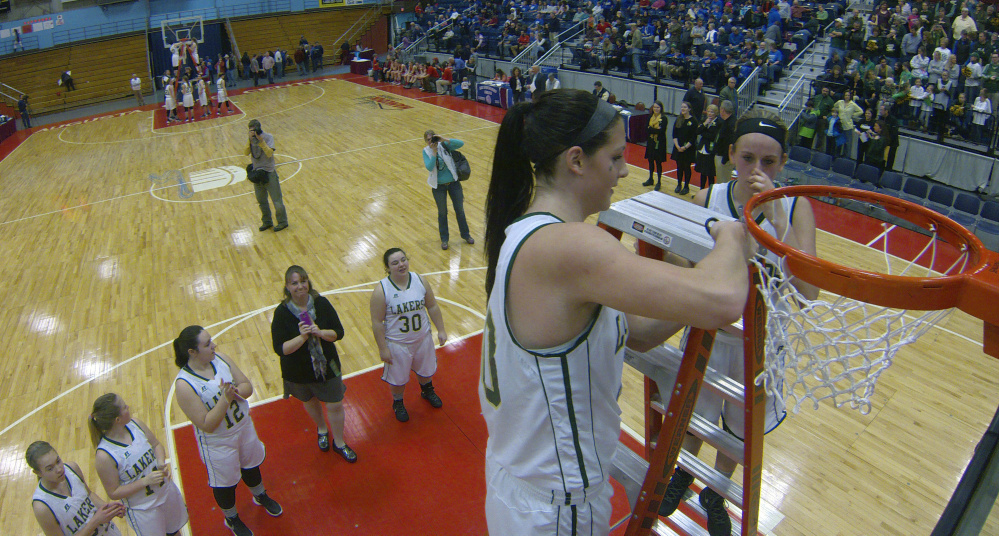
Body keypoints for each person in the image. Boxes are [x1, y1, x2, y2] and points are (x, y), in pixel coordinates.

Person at [480, 89, 751, 536]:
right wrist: (731, 239)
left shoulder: (528, 231)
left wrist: (687, 269)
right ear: (576, 160)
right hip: (556, 508)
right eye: (616, 157)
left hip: (527, 489)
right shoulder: (572, 246)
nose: (625, 171)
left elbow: (640, 332)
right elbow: (722, 299)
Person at [659, 108, 818, 536]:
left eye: (769, 162)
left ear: (782, 164)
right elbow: (682, 266)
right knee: (694, 412)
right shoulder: (707, 198)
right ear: (731, 154)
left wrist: (779, 224)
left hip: (761, 343)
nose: (757, 169)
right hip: (710, 332)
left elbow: (808, 292)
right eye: (748, 158)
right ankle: (684, 473)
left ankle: (717, 489)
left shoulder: (796, 205)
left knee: (738, 430)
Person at [173, 325, 283, 536]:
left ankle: (260, 495)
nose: (213, 345)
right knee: (225, 484)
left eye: (211, 340)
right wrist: (226, 399)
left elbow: (247, 386)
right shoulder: (184, 385)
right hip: (218, 442)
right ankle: (231, 518)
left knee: (251, 465)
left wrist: (236, 391)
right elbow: (206, 423)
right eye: (207, 344)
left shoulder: (221, 359)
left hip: (243, 427)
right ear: (192, 352)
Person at [271, 265, 358, 461]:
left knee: (335, 404)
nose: (300, 286)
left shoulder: (322, 304)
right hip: (298, 371)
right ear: (287, 287)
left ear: (308, 282)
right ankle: (321, 429)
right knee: (310, 402)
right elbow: (281, 349)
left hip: (327, 366)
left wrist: (319, 332)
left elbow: (338, 333)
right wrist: (302, 338)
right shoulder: (282, 313)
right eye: (294, 283)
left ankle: (340, 443)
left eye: (303, 281)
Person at [90, 393, 189, 536]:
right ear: (117, 419)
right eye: (124, 407)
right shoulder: (104, 455)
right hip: (144, 510)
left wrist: (161, 461)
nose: (128, 407)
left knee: (175, 532)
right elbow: (113, 492)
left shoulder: (136, 424)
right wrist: (144, 481)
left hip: (165, 493)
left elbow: (156, 444)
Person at [370, 248, 449, 422]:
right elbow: (377, 323)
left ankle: (427, 390)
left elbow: (432, 306)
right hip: (397, 343)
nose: (401, 265)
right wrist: (383, 348)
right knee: (398, 380)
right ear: (387, 267)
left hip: (422, 338)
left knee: (426, 370)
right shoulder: (382, 290)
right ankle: (398, 402)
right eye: (395, 263)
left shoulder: (420, 280)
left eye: (403, 260)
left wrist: (441, 329)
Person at [423, 130, 474, 250]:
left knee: (460, 210)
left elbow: (460, 143)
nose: (431, 142)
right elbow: (429, 167)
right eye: (428, 140)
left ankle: (466, 235)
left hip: (453, 184)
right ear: (426, 141)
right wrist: (434, 153)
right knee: (442, 213)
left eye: (433, 138)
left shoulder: (444, 146)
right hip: (438, 187)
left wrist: (444, 139)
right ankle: (444, 240)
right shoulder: (426, 151)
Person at [245, 119, 288, 232]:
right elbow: (245, 152)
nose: (253, 133)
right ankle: (267, 221)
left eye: (254, 131)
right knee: (261, 201)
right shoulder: (251, 140)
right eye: (250, 131)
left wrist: (261, 141)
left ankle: (282, 222)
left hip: (269, 174)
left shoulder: (268, 137)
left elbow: (269, 153)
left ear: (259, 129)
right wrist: (249, 140)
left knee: (277, 201)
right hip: (257, 175)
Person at [672, 101, 698, 195]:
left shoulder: (693, 121)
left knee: (686, 167)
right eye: (682, 107)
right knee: (679, 167)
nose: (683, 109)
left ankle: (686, 186)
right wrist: (677, 146)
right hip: (678, 148)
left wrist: (685, 147)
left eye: (685, 107)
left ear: (689, 109)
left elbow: (694, 137)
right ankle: (679, 184)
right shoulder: (679, 119)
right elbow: (674, 134)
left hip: (688, 149)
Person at [643, 101, 669, 190]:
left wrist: (651, 129)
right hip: (651, 141)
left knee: (658, 162)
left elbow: (661, 131)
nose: (656, 109)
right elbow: (646, 129)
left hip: (659, 142)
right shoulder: (650, 117)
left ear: (661, 108)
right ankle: (650, 179)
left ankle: (659, 181)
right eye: (654, 107)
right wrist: (654, 129)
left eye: (657, 107)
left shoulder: (664, 118)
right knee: (650, 160)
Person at [696, 104, 721, 189]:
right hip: (702, 148)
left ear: (716, 113)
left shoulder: (718, 122)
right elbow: (697, 131)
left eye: (712, 112)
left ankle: (710, 192)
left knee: (710, 173)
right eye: (709, 111)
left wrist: (704, 132)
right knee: (702, 172)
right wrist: (704, 124)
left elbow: (713, 136)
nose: (710, 113)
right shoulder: (704, 120)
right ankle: (701, 190)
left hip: (710, 149)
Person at [714, 100, 737, 183]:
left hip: (724, 158)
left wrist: (725, 160)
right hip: (724, 156)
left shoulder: (731, 124)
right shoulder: (729, 121)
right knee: (722, 180)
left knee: (722, 181)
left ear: (722, 110)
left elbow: (730, 143)